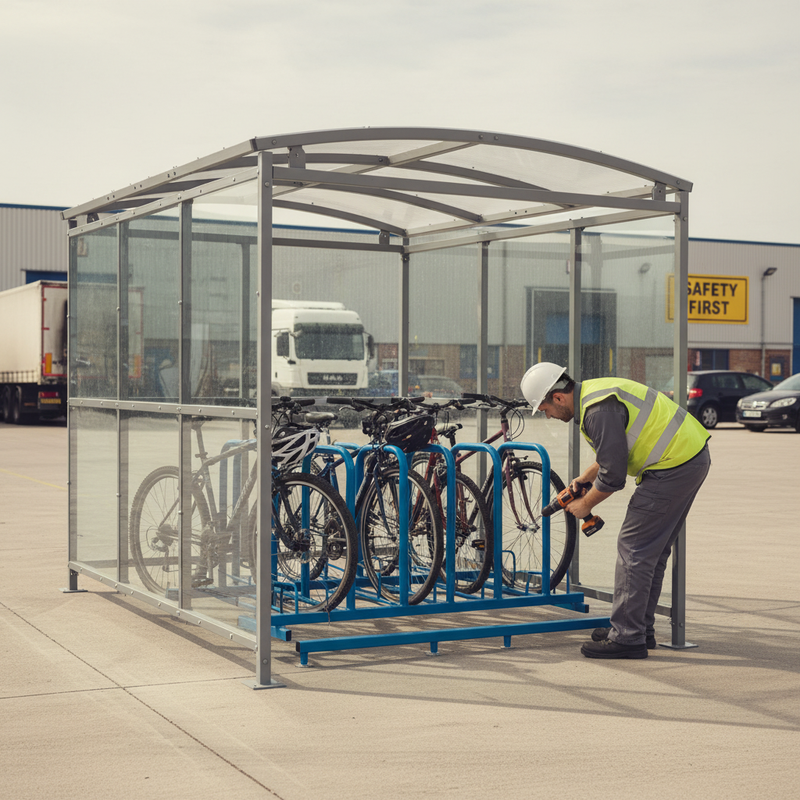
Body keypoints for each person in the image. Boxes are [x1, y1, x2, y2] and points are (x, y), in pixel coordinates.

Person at [520, 363, 711, 660]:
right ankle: (638, 628)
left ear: (558, 397)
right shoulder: (595, 396)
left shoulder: (597, 411)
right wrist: (584, 479)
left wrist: (585, 504)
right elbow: (616, 449)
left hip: (672, 467)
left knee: (634, 549)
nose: (546, 415)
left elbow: (613, 476)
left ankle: (627, 637)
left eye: (544, 408)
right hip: (687, 457)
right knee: (651, 552)